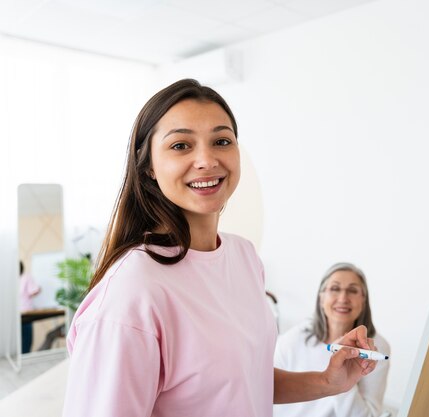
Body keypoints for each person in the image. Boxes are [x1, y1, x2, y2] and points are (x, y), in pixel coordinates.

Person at [62, 79, 376, 417]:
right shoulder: (130, 293)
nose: (206, 160)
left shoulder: (244, 257)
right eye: (181, 145)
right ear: (149, 166)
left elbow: (242, 382)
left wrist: (329, 382)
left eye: (221, 141)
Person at [274, 262, 390, 417]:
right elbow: (266, 392)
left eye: (352, 290)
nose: (343, 298)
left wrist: (343, 385)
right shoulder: (293, 339)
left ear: (363, 299)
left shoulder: (374, 347)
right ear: (321, 297)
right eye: (335, 289)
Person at [19, 260, 41, 353]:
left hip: (16, 314)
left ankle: (20, 358)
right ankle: (25, 356)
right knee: (26, 339)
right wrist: (40, 289)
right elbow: (33, 291)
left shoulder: (10, 280)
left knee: (19, 338)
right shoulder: (26, 277)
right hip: (26, 313)